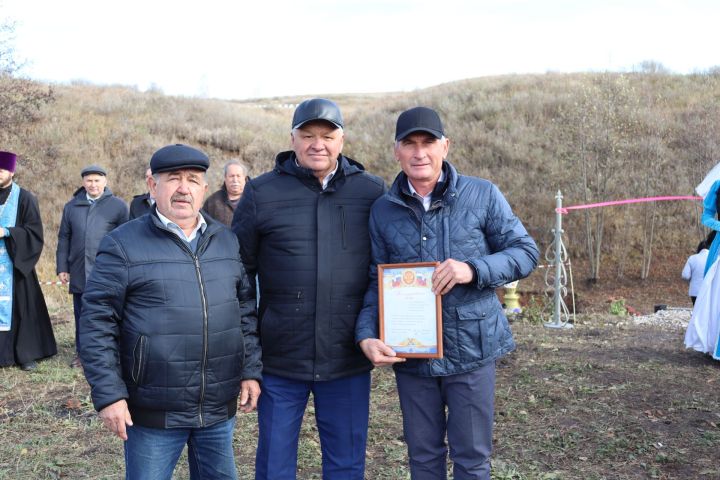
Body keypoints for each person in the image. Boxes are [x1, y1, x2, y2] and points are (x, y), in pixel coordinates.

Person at [355, 107, 539, 479]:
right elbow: (377, 281)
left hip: (472, 348)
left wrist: (473, 269)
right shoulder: (383, 210)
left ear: (446, 146)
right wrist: (366, 334)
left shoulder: (482, 194)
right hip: (413, 355)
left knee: (472, 457)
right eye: (410, 144)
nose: (419, 152)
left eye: (428, 143)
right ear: (397, 151)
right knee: (422, 457)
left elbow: (526, 252)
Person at [79, 144, 262, 479]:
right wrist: (109, 395)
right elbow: (96, 323)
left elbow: (244, 310)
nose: (183, 188)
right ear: (153, 186)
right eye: (173, 178)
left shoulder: (225, 241)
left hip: (217, 406)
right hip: (153, 411)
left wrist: (250, 370)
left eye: (193, 180)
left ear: (204, 189)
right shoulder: (123, 244)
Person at [232, 98, 385, 479]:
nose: (318, 144)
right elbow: (237, 277)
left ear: (342, 140)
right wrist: (249, 356)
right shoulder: (261, 193)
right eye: (308, 135)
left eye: (327, 136)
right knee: (274, 462)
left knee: (347, 462)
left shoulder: (371, 192)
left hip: (346, 357)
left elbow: (383, 271)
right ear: (293, 139)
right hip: (281, 358)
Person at [56, 165, 128, 367]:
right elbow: (64, 238)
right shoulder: (71, 207)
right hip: (79, 270)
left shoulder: (118, 206)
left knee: (110, 314)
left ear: (105, 182)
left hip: (108, 271)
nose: (93, 184)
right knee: (82, 315)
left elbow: (126, 239)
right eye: (89, 180)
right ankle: (82, 353)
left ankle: (111, 352)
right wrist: (62, 266)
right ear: (83, 183)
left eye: (97, 180)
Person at [0, 151, 57, 371]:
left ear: (12, 172)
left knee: (21, 308)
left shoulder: (24, 198)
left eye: (2, 170)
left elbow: (34, 232)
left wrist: (6, 232)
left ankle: (25, 354)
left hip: (15, 264)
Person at [685, 180, 720, 359]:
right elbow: (706, 217)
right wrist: (719, 226)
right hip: (719, 248)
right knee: (716, 296)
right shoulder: (718, 185)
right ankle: (714, 344)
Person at [203, 160, 248, 226]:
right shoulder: (212, 202)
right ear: (225, 178)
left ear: (245, 178)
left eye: (238, 176)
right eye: (231, 176)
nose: (235, 180)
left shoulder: (255, 199)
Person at [681, 239, 709, 305]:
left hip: (695, 291)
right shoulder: (714, 259)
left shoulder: (692, 258)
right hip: (709, 291)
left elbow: (685, 275)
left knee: (696, 311)